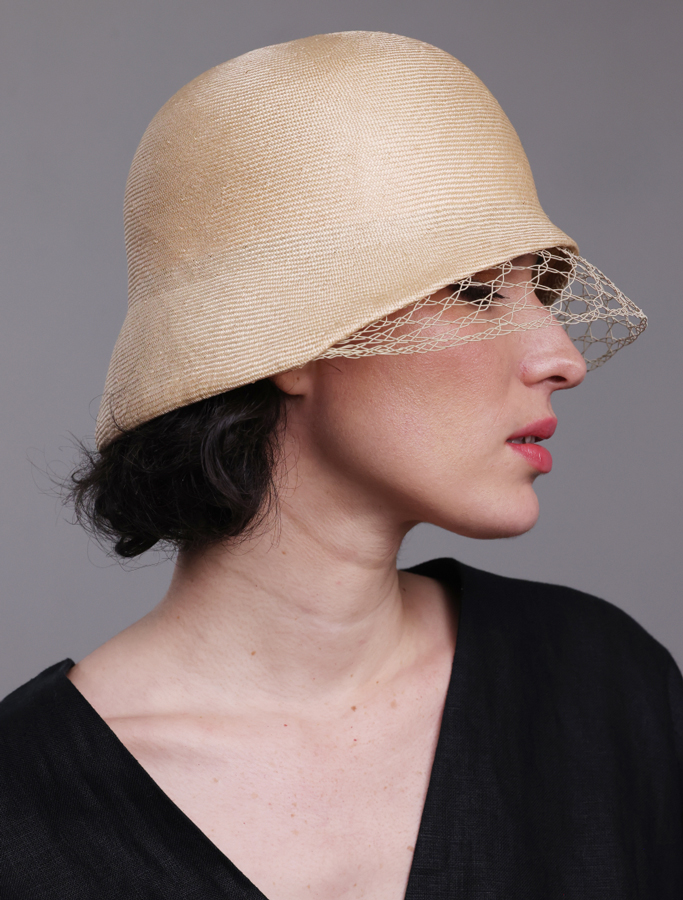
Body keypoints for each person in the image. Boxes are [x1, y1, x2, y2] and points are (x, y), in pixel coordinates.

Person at [0, 31, 679, 900]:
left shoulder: (598, 692)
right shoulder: (22, 813)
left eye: (539, 290)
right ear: (285, 341)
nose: (562, 357)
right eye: (476, 290)